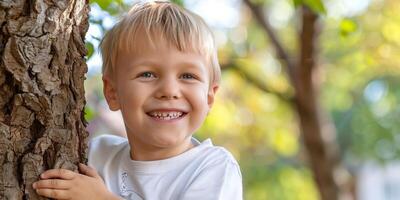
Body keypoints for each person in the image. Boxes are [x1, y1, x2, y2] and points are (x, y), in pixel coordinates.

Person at [32, 1, 243, 199]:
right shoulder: (98, 155)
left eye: (188, 76)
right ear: (113, 92)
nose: (169, 91)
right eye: (147, 74)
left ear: (209, 97)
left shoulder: (213, 167)